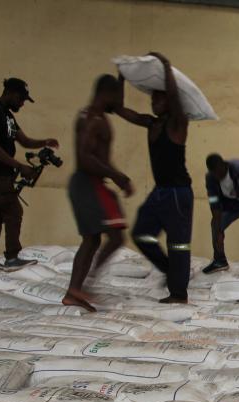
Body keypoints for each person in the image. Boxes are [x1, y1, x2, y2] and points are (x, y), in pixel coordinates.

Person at [115, 52, 193, 304]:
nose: (154, 103)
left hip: (178, 193)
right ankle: (171, 271)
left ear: (169, 102)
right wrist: (121, 76)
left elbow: (174, 96)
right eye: (153, 99)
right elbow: (119, 109)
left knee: (178, 244)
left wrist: (167, 67)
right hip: (160, 192)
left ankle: (179, 293)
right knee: (141, 233)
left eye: (159, 99)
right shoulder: (151, 124)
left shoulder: (178, 124)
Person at [62, 75, 135, 312]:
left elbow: (91, 155)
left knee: (93, 239)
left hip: (86, 183)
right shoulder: (95, 120)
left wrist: (122, 78)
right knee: (115, 236)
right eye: (117, 97)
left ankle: (75, 291)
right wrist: (117, 176)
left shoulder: (87, 114)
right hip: (89, 183)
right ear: (106, 94)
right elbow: (86, 157)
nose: (119, 103)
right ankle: (85, 286)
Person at [0, 78, 60, 270]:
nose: (22, 103)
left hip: (2, 172)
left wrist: (44, 142)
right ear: (12, 93)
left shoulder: (7, 115)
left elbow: (25, 141)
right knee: (13, 211)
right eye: (21, 99)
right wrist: (20, 166)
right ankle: (12, 258)